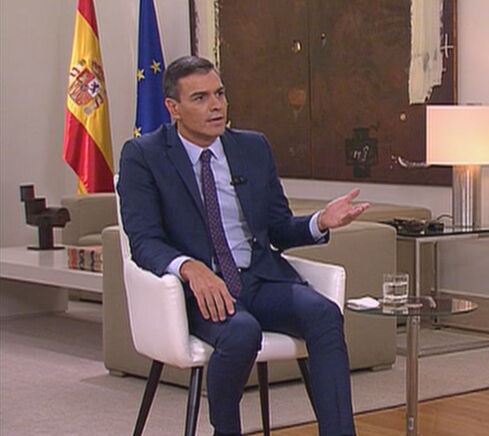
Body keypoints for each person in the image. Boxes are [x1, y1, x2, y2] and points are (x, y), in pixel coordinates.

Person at [118, 56, 367, 436]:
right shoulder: (144, 156)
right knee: (241, 332)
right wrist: (190, 268)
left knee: (324, 315)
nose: (216, 106)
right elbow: (143, 241)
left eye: (219, 94)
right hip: (201, 290)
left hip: (259, 279)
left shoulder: (252, 147)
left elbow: (277, 228)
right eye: (200, 98)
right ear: (173, 108)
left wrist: (320, 221)